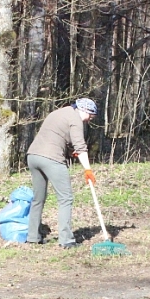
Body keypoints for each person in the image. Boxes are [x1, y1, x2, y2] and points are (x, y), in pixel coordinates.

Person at [26, 98, 97, 249]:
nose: (90, 120)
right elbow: (80, 146)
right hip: (52, 159)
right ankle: (66, 240)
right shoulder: (76, 119)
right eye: (90, 116)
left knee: (38, 198)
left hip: (33, 156)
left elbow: (56, 137)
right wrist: (88, 170)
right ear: (83, 110)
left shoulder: (58, 113)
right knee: (66, 198)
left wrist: (69, 151)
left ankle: (33, 237)